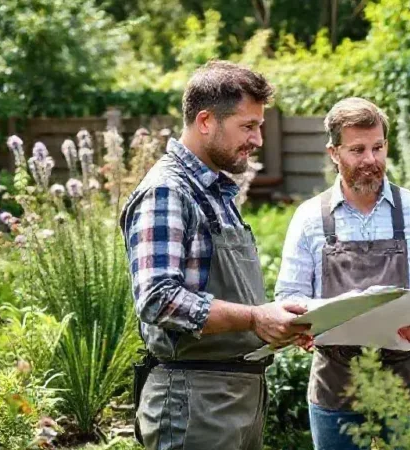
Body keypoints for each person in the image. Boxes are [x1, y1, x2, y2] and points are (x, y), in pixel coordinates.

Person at [120, 60, 310, 450]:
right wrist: (255, 317)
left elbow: (231, 299)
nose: (258, 140)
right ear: (206, 121)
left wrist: (277, 324)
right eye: (248, 126)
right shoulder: (168, 191)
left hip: (236, 397)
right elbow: (157, 299)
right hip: (194, 402)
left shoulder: (214, 191)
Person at [274, 97, 410, 449]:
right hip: (336, 383)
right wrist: (304, 322)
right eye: (357, 150)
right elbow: (288, 295)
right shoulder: (309, 218)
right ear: (334, 153)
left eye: (377, 148)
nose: (370, 161)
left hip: (407, 381)